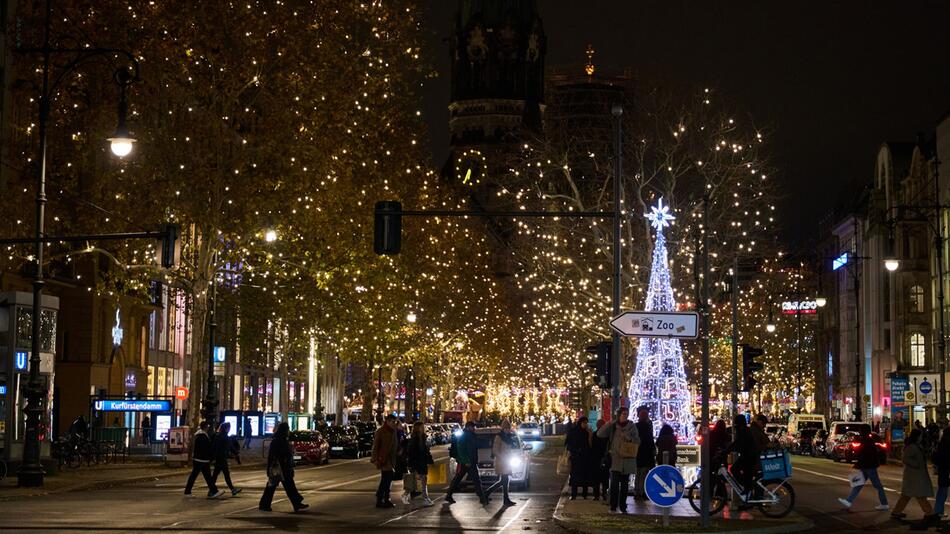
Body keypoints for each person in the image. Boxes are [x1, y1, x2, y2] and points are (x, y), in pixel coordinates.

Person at [596, 406, 641, 513]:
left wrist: (629, 438)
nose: (625, 416)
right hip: (615, 459)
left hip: (627, 459)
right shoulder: (613, 426)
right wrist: (610, 423)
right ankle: (613, 505)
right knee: (614, 484)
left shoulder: (632, 426)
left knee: (625, 484)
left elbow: (637, 441)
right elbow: (600, 434)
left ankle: (623, 505)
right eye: (623, 414)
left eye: (627, 414)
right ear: (619, 415)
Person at [259, 422, 308, 512]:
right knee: (284, 486)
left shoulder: (280, 440)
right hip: (280, 468)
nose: (288, 431)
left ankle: (265, 504)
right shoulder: (279, 441)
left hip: (281, 468)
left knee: (281, 486)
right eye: (287, 429)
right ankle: (264, 504)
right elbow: (274, 456)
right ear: (284, 430)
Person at [838, 431, 889, 512]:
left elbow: (864, 455)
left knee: (876, 486)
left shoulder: (866, 441)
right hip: (868, 466)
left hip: (868, 466)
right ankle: (848, 501)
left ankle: (884, 503)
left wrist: (858, 464)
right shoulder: (869, 440)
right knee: (859, 484)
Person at [890, 428, 933, 519]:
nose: (922, 437)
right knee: (919, 494)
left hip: (914, 474)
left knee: (907, 495)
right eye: (920, 436)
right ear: (917, 436)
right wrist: (916, 464)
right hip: (914, 475)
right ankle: (929, 512)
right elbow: (906, 459)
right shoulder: (912, 447)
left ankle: (897, 511)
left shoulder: (916, 446)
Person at [446, 421, 487, 505]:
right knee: (475, 480)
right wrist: (466, 461)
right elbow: (461, 449)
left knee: (459, 479)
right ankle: (482, 497)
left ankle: (449, 495)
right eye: (473, 427)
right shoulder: (465, 436)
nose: (474, 428)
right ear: (469, 427)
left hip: (468, 461)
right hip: (467, 462)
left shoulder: (470, 435)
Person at [184, 421, 224, 499]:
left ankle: (213, 491)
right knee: (205, 476)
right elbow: (206, 448)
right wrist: (210, 457)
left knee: (201, 476)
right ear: (206, 427)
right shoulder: (203, 437)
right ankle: (213, 491)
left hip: (199, 459)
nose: (209, 428)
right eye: (208, 426)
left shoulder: (199, 436)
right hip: (202, 460)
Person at [722, 415, 758, 501]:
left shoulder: (743, 430)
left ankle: (748, 487)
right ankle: (748, 489)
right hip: (747, 456)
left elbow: (738, 443)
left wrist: (727, 450)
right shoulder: (743, 429)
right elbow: (736, 442)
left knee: (735, 469)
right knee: (742, 473)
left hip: (748, 456)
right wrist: (728, 449)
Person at [485, 420, 519, 506]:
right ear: (503, 428)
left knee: (504, 481)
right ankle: (490, 494)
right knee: (504, 481)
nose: (508, 430)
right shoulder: (499, 437)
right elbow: (495, 450)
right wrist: (502, 458)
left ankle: (501, 498)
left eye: (509, 428)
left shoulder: (508, 437)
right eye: (506, 428)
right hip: (501, 462)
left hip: (506, 462)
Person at [371, 414, 399, 508]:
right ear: (387, 421)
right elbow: (375, 446)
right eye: (392, 421)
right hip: (384, 459)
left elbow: (395, 444)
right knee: (386, 479)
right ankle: (383, 498)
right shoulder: (381, 431)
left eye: (394, 421)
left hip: (391, 459)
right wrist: (374, 459)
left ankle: (383, 498)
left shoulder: (394, 431)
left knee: (387, 479)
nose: (393, 423)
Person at [406, 421, 434, 506]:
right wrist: (410, 465)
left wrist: (430, 460)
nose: (424, 428)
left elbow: (426, 451)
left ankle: (424, 498)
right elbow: (411, 453)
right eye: (422, 427)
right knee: (420, 481)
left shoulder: (424, 438)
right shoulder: (414, 440)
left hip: (423, 462)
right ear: (418, 428)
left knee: (422, 481)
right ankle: (425, 498)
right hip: (417, 462)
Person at [565, 417, 594, 500]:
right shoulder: (573, 432)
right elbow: (569, 444)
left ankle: (584, 494)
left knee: (585, 476)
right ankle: (574, 494)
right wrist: (575, 451)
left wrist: (590, 436)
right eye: (584, 423)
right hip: (576, 458)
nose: (585, 425)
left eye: (586, 423)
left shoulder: (586, 432)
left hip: (585, 458)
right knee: (575, 477)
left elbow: (590, 445)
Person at [925, 427, 950, 523]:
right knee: (943, 492)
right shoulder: (947, 444)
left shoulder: (941, 443)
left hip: (943, 470)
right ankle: (938, 511)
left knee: (942, 491)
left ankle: (938, 511)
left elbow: (937, 456)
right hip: (946, 470)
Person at [211, 422, 241, 496]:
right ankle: (232, 489)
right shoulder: (222, 437)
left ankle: (212, 489)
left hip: (221, 458)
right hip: (221, 458)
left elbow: (229, 446)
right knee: (224, 474)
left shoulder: (222, 436)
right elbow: (217, 448)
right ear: (226, 428)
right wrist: (235, 453)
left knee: (216, 475)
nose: (229, 429)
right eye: (229, 427)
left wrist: (235, 453)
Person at [633, 407, 656, 500]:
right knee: (644, 475)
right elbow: (650, 441)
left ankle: (637, 492)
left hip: (637, 453)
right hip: (646, 455)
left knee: (638, 474)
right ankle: (642, 492)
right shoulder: (648, 427)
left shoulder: (635, 426)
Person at [591, 419, 610, 502]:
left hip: (604, 458)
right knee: (597, 478)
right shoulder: (595, 435)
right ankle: (597, 494)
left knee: (604, 478)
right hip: (597, 459)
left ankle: (603, 494)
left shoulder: (607, 435)